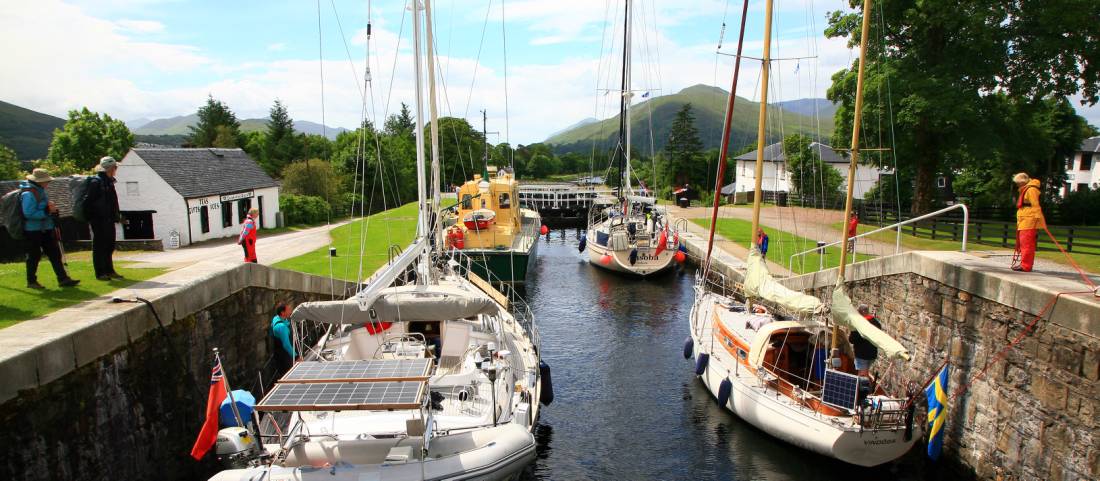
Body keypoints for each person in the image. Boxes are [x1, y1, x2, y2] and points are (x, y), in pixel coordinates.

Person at [21, 169, 80, 289]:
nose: (48, 183)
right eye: (46, 181)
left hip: (45, 228)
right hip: (33, 230)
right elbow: (28, 213)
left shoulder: (40, 191)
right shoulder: (28, 194)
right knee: (34, 256)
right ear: (38, 181)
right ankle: (31, 281)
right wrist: (47, 212)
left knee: (54, 254)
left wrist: (51, 212)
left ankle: (63, 279)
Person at [84, 156, 122, 280]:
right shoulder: (96, 182)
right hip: (99, 220)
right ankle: (100, 273)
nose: (116, 169)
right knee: (99, 246)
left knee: (109, 245)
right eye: (115, 167)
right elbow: (88, 202)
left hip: (109, 219)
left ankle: (109, 270)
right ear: (110, 168)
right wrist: (93, 217)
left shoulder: (108, 182)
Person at [1012, 172, 1045, 272]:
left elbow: (1035, 205)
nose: (1017, 185)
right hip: (1024, 219)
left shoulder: (1031, 190)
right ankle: (1024, 263)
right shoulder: (1025, 189)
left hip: (1029, 220)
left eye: (1018, 183)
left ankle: (1026, 265)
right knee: (1023, 243)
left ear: (1023, 182)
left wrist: (1038, 218)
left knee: (1027, 244)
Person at [848, 304, 881, 378]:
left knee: (862, 376)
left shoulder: (860, 323)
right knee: (865, 373)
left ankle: (862, 389)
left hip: (862, 355)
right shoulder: (876, 322)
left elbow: (852, 339)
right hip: (872, 353)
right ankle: (863, 387)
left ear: (861, 312)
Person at [270, 302, 299, 377]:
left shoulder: (276, 318)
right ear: (282, 313)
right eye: (288, 310)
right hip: (284, 357)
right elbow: (286, 345)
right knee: (288, 374)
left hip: (280, 354)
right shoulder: (281, 327)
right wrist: (296, 357)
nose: (290, 311)